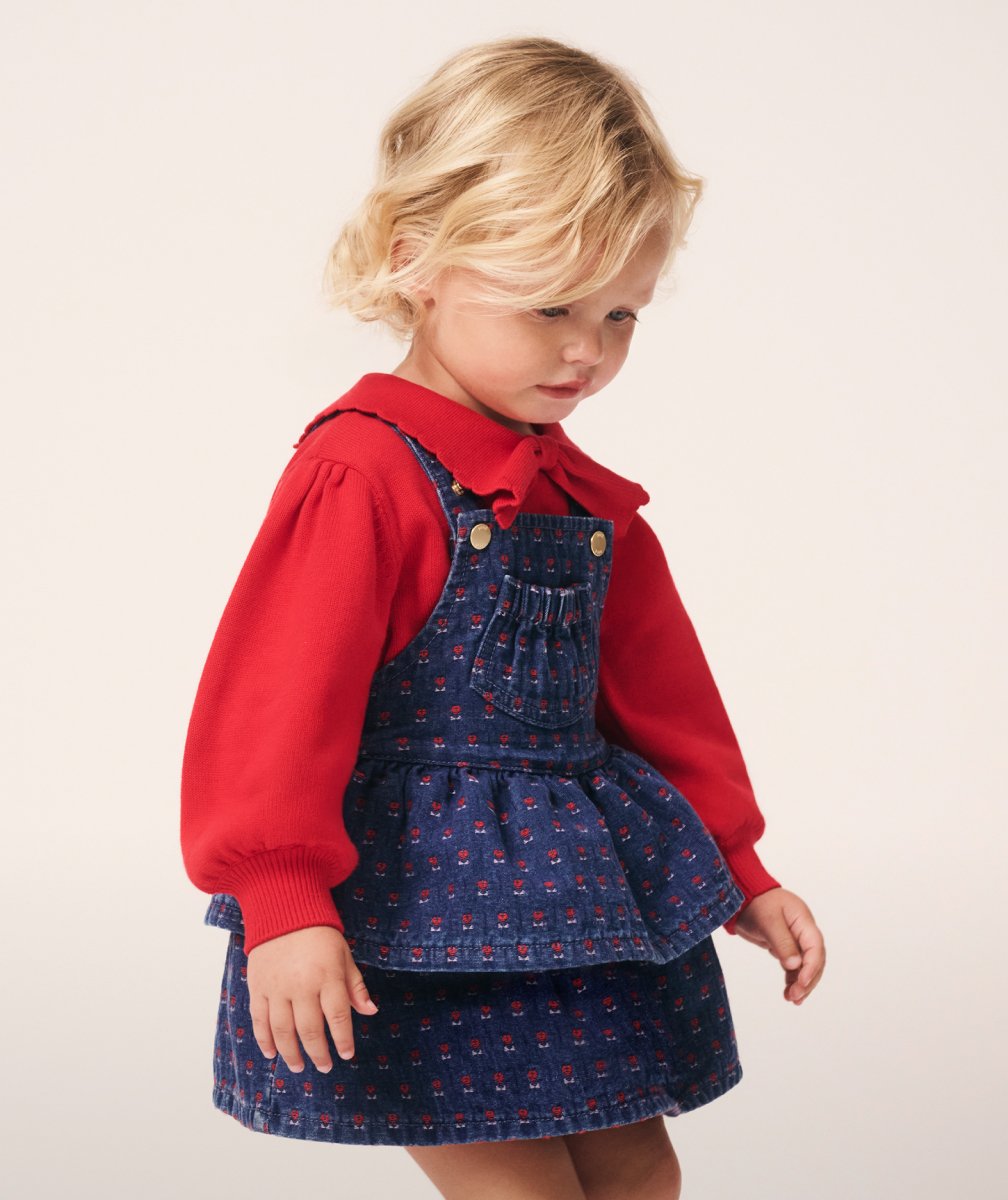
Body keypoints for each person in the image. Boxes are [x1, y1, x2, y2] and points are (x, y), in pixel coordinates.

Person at [180, 34, 825, 1200]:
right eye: (552, 307)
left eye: (623, 315)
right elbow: (277, 704)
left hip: (575, 921)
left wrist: (738, 861)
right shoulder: (362, 475)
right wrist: (282, 897)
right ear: (415, 260)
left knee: (641, 1176)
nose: (588, 351)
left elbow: (665, 701)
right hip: (419, 925)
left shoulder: (583, 501)